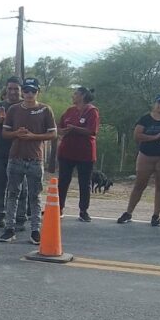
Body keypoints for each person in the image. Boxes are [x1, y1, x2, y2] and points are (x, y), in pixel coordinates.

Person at [0, 78, 57, 244]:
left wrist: (34, 137)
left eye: (33, 91)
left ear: (38, 92)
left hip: (35, 159)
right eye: (26, 91)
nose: (29, 94)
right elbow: (5, 133)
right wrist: (17, 133)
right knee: (12, 194)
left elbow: (53, 134)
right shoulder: (14, 110)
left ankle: (35, 230)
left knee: (35, 196)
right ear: (22, 92)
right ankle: (9, 228)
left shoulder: (45, 110)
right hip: (15, 157)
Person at [117, 94, 160, 226]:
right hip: (146, 153)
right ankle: (128, 212)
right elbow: (137, 135)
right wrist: (154, 137)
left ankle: (156, 215)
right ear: (155, 104)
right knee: (140, 184)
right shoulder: (145, 118)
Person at [0, 77, 29, 229]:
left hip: (21, 153)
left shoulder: (27, 107)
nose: (13, 92)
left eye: (16, 89)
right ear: (6, 90)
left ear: (21, 90)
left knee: (20, 188)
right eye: (10, 89)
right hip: (1, 153)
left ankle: (19, 219)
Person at [56, 87, 100, 222]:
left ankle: (83, 211)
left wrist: (74, 128)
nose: (73, 96)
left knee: (84, 182)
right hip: (67, 151)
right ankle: (59, 208)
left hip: (85, 153)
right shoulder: (70, 111)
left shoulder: (92, 111)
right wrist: (61, 131)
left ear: (82, 96)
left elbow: (92, 131)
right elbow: (59, 127)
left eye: (75, 94)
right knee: (63, 180)